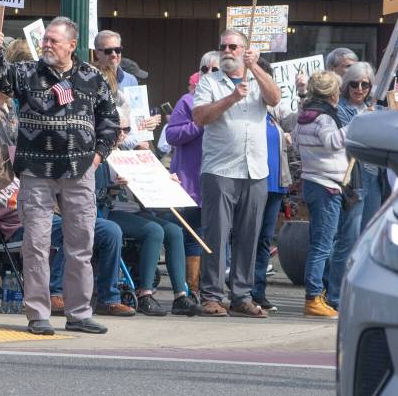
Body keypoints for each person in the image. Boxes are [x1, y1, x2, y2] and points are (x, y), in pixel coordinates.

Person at [0, 16, 119, 336]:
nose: (46, 45)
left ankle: (79, 313)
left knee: (81, 244)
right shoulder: (27, 72)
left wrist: (99, 155)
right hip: (36, 171)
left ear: (72, 45)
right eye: (45, 40)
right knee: (37, 243)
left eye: (53, 41)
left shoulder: (92, 77)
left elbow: (110, 122)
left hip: (79, 171)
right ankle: (38, 314)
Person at [192, 28, 280, 319]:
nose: (227, 51)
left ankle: (242, 295)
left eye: (233, 47)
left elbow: (275, 98)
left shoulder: (257, 77)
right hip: (220, 168)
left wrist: (254, 67)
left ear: (244, 50)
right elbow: (201, 117)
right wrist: (231, 97)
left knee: (249, 234)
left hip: (254, 168)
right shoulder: (209, 82)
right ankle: (212, 295)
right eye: (223, 47)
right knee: (216, 234)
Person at [97, 105, 201, 317]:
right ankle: (145, 293)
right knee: (154, 231)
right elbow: (93, 193)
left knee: (174, 230)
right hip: (110, 210)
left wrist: (165, 180)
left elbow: (150, 187)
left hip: (135, 210)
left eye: (125, 129)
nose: (120, 134)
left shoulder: (133, 155)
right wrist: (114, 187)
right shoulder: (99, 156)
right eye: (117, 128)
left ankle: (181, 295)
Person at [0, 146, 65, 311]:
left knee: (108, 231)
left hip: (46, 214)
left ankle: (107, 297)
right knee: (67, 230)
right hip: (17, 229)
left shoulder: (15, 155)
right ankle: (55, 292)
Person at [292, 71, 346, 319]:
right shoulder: (324, 118)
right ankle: (313, 298)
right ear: (334, 93)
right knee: (322, 245)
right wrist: (355, 126)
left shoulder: (305, 114)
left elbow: (294, 142)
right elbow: (333, 142)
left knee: (320, 243)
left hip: (313, 181)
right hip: (326, 184)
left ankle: (317, 295)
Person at [327, 61, 378, 310]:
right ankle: (335, 295)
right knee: (348, 239)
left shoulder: (376, 109)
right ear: (347, 86)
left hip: (376, 179)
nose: (359, 89)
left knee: (370, 240)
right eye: (355, 84)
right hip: (354, 179)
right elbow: (349, 139)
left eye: (365, 85)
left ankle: (360, 294)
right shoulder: (342, 109)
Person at [251, 59, 293, 313]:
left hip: (275, 183)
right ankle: (242, 288)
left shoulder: (275, 111)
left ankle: (259, 290)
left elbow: (296, 121)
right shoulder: (247, 108)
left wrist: (304, 94)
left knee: (264, 239)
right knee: (248, 237)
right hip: (252, 181)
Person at [163, 71, 207, 297]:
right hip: (191, 180)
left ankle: (206, 289)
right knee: (192, 235)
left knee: (211, 237)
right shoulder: (187, 102)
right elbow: (172, 135)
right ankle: (191, 290)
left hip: (219, 179)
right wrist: (199, 124)